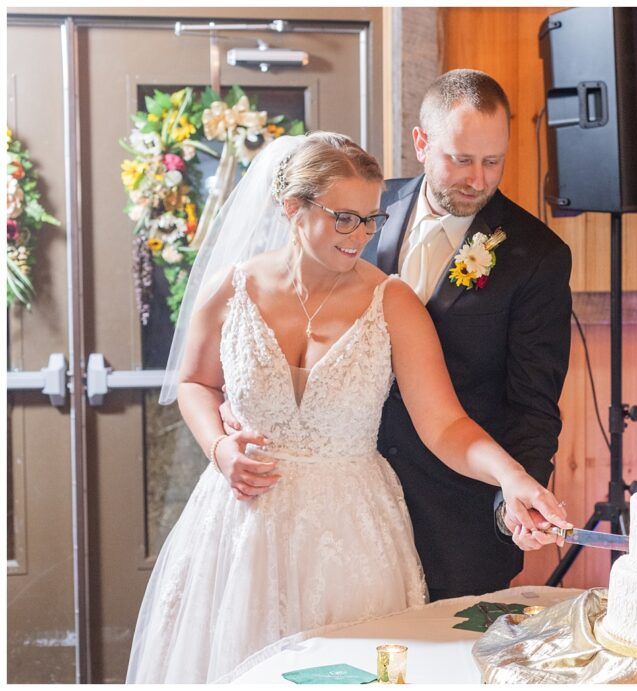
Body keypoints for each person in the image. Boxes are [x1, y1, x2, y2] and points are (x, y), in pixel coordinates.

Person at [126, 132, 570, 683]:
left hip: (351, 538)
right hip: (239, 531)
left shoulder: (393, 301)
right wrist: (219, 448)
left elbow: (446, 424)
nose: (360, 235)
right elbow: (194, 381)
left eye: (370, 219)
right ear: (293, 207)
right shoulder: (231, 289)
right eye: (344, 218)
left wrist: (512, 477)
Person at [220, 69, 573, 600]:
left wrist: (511, 495)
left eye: (492, 161)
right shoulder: (358, 209)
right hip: (333, 508)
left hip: (458, 515)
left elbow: (534, 406)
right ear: (422, 142)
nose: (477, 179)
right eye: (460, 159)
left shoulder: (537, 256)